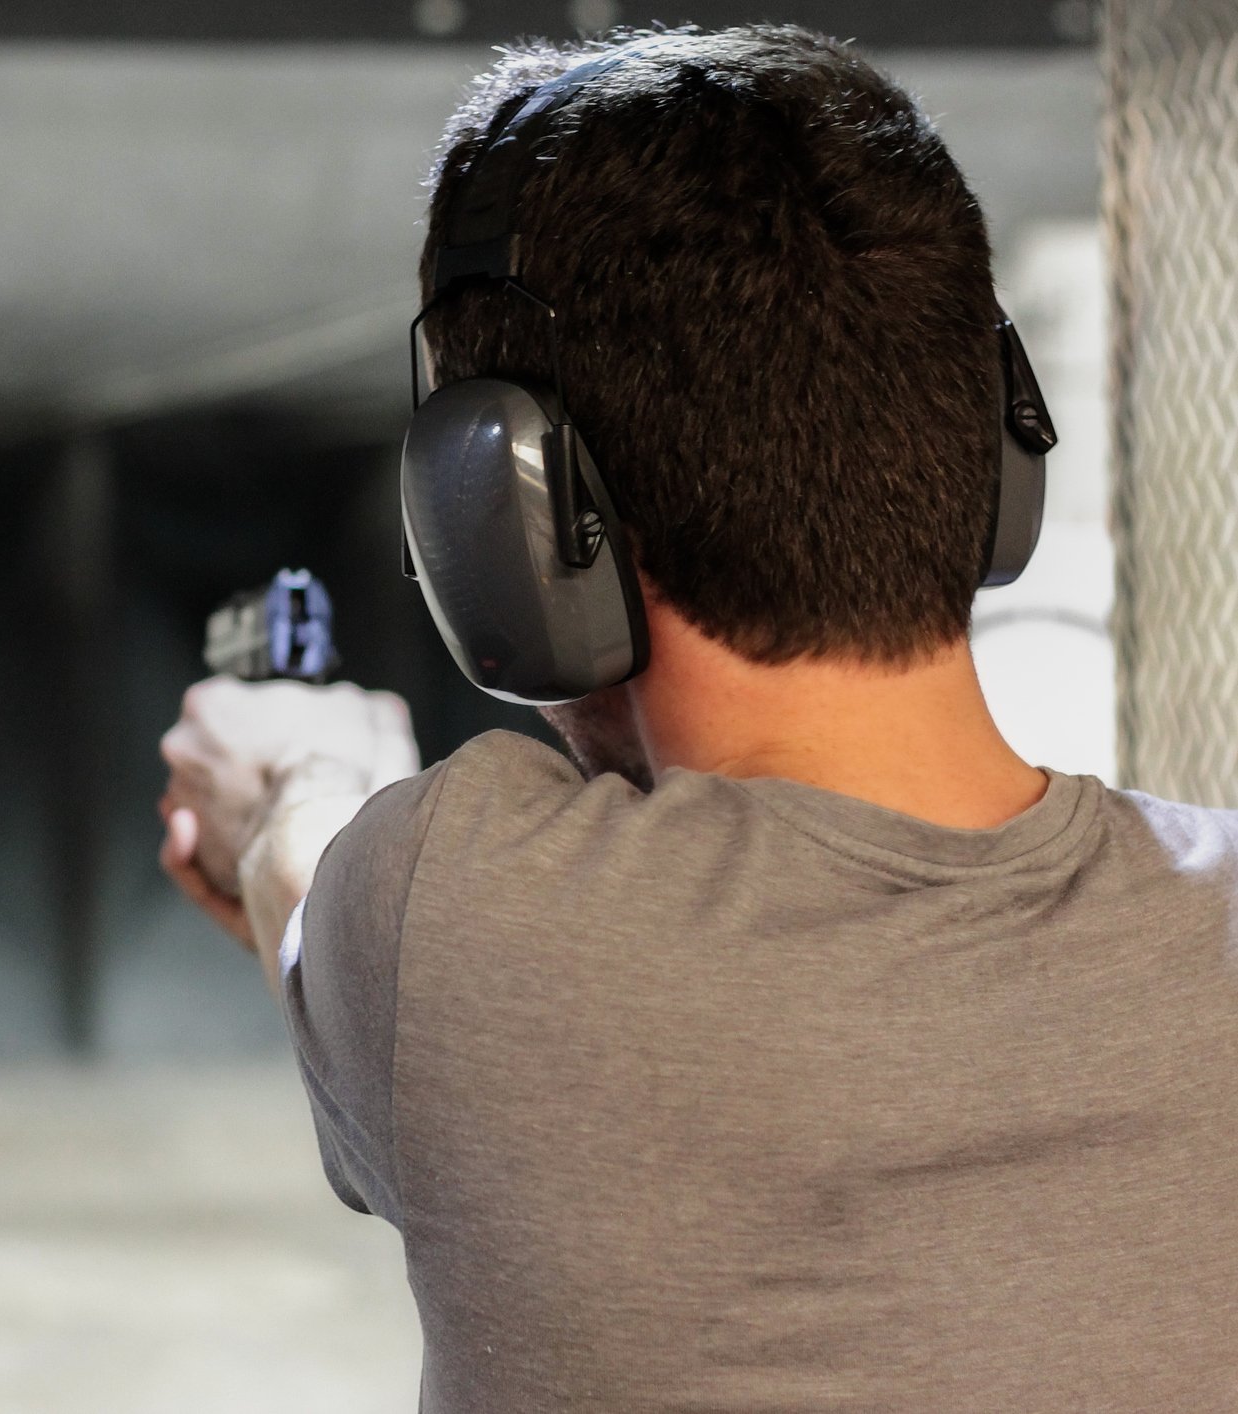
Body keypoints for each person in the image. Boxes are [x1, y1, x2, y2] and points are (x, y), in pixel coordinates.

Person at [157, 24, 1238, 1412]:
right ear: (991, 444)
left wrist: (302, 769)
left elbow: (304, 869)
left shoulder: (446, 912)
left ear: (506, 522)